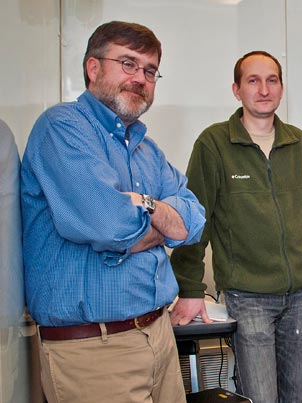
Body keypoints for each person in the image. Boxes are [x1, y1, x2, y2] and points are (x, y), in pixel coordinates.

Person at [21, 21, 206, 403]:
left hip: (158, 337)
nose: (140, 78)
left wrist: (145, 206)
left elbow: (194, 218)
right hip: (94, 350)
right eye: (128, 63)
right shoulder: (62, 129)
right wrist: (153, 225)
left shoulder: (146, 149)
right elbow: (111, 226)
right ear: (93, 68)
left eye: (150, 70)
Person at [169, 50, 302, 402]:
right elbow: (195, 219)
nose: (263, 89)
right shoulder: (214, 144)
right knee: (260, 396)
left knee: (294, 393)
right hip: (249, 295)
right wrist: (190, 286)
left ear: (282, 88)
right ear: (236, 89)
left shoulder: (299, 143)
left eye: (272, 80)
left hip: (301, 295)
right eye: (253, 81)